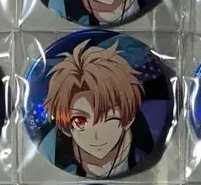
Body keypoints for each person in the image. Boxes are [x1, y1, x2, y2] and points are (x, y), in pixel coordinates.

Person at [42, 41, 149, 177]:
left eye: (109, 118)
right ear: (66, 127)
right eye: (80, 121)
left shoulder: (146, 151)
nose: (96, 136)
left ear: (128, 119)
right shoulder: (52, 153)